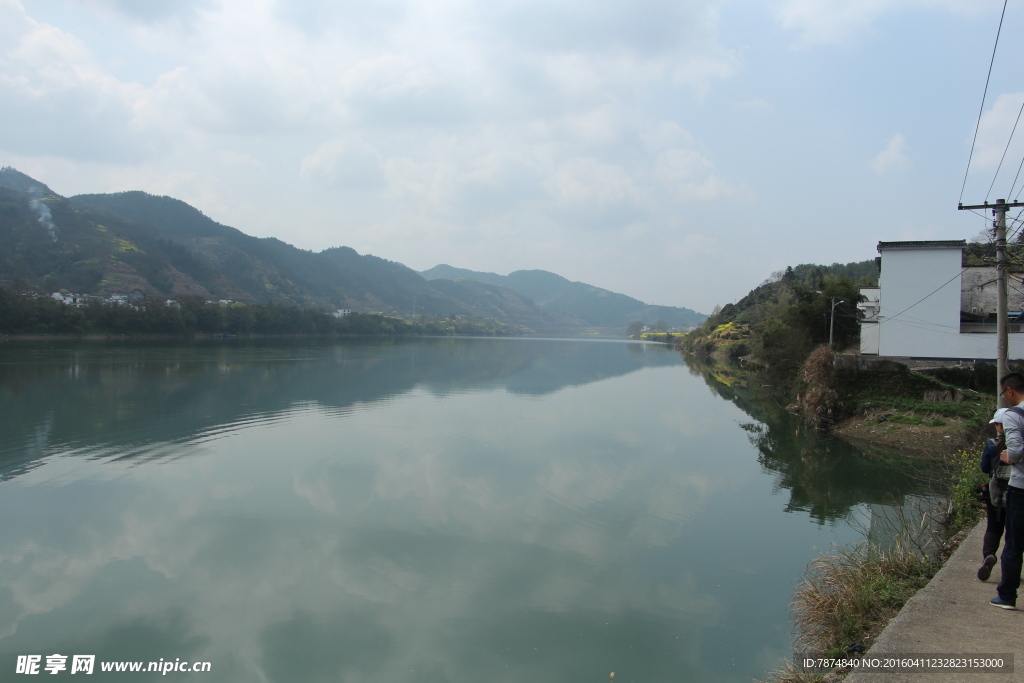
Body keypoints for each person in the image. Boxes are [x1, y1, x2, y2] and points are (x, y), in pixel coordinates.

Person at [992, 372, 1024, 609]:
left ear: (1010, 391)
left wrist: (1009, 457)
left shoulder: (1014, 415)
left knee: (1014, 543)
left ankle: (1007, 596)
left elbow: (1014, 451)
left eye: (1004, 394)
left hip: (1021, 488)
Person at [978, 408, 1007, 581]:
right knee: (1015, 531)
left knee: (994, 527)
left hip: (996, 492)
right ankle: (1011, 567)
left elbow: (985, 468)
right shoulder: (1020, 443)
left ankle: (989, 555)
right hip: (1018, 493)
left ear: (998, 425)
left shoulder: (991, 444)